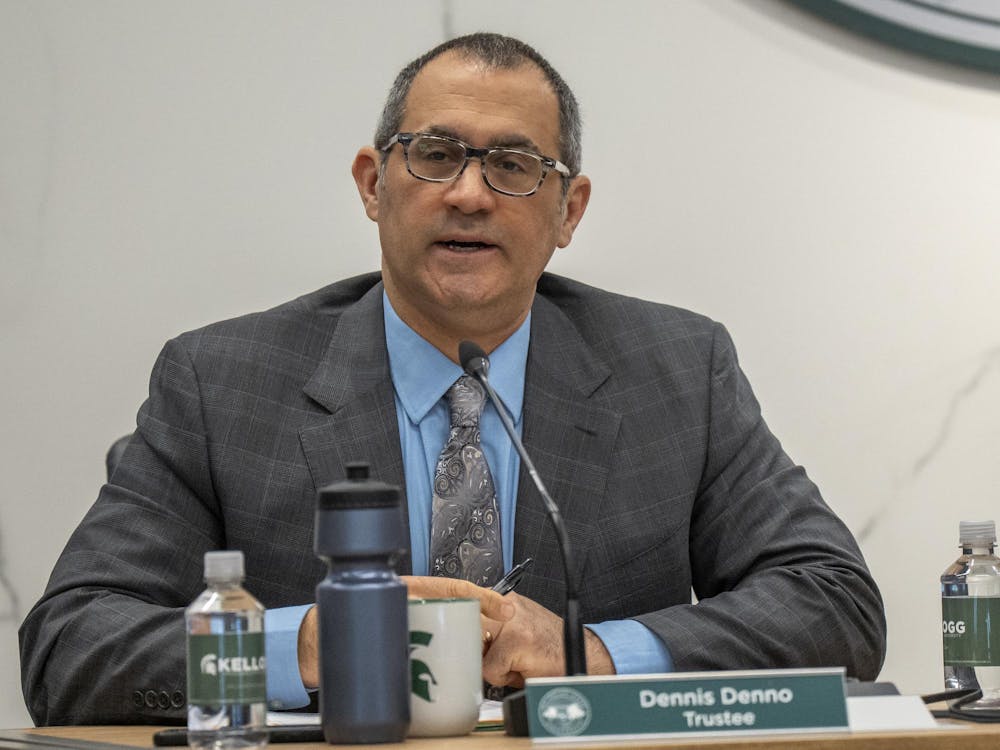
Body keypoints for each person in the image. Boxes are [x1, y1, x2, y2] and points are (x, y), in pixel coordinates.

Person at [19, 32, 886, 726]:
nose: (470, 194)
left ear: (568, 212)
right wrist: (310, 646)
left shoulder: (676, 370)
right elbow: (70, 649)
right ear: (372, 184)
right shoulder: (222, 383)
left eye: (513, 167)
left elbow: (835, 606)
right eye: (436, 154)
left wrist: (592, 655)